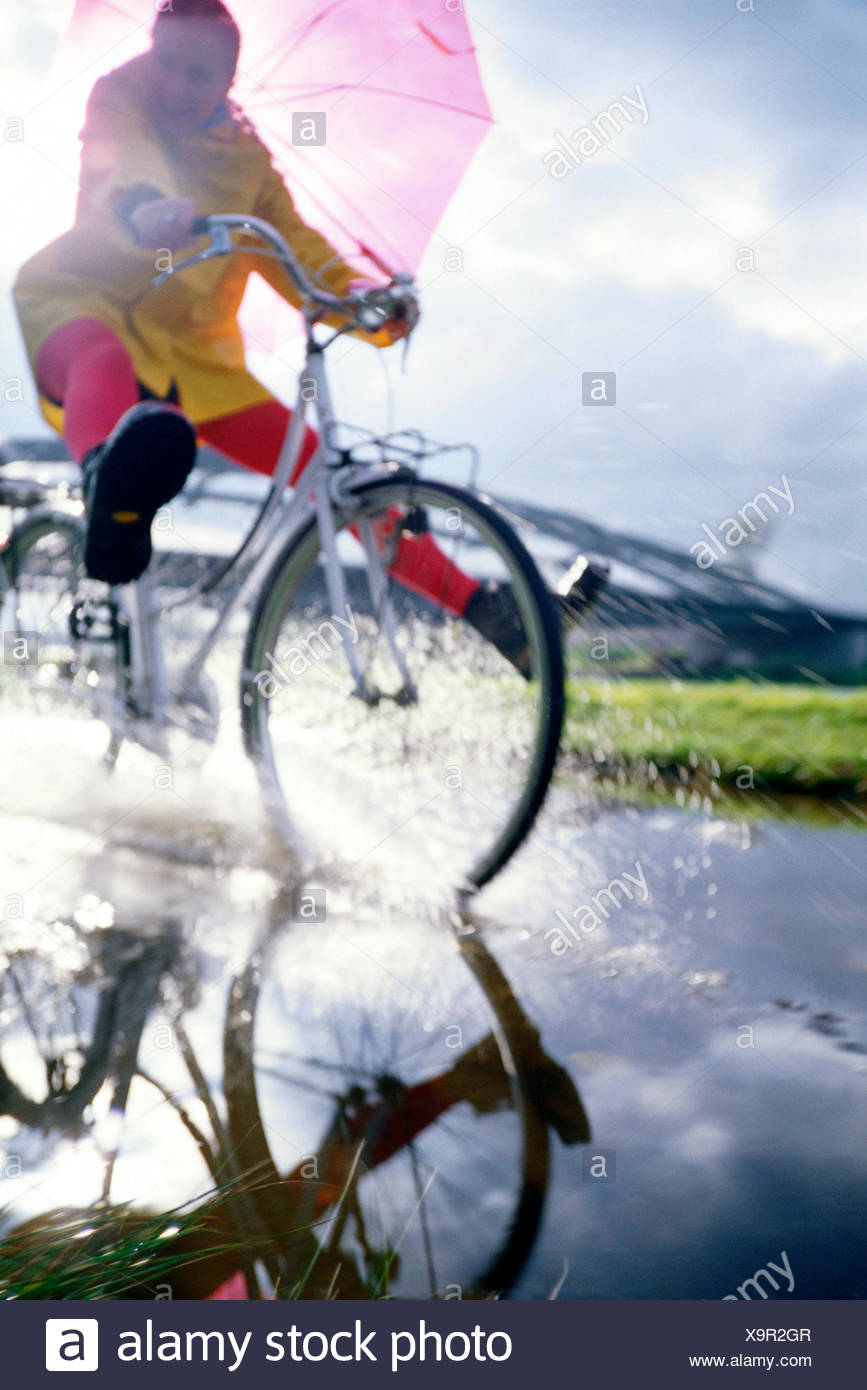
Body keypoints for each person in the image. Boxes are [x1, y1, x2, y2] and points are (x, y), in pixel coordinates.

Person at [13, 0, 603, 667]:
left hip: (196, 362)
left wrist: (364, 301)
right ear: (148, 51)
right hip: (83, 301)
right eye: (166, 62)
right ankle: (108, 494)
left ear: (229, 81)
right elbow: (119, 159)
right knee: (103, 360)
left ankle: (494, 615)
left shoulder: (249, 166)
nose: (175, 84)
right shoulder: (118, 96)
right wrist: (144, 205)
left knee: (335, 481)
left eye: (197, 74)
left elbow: (297, 249)